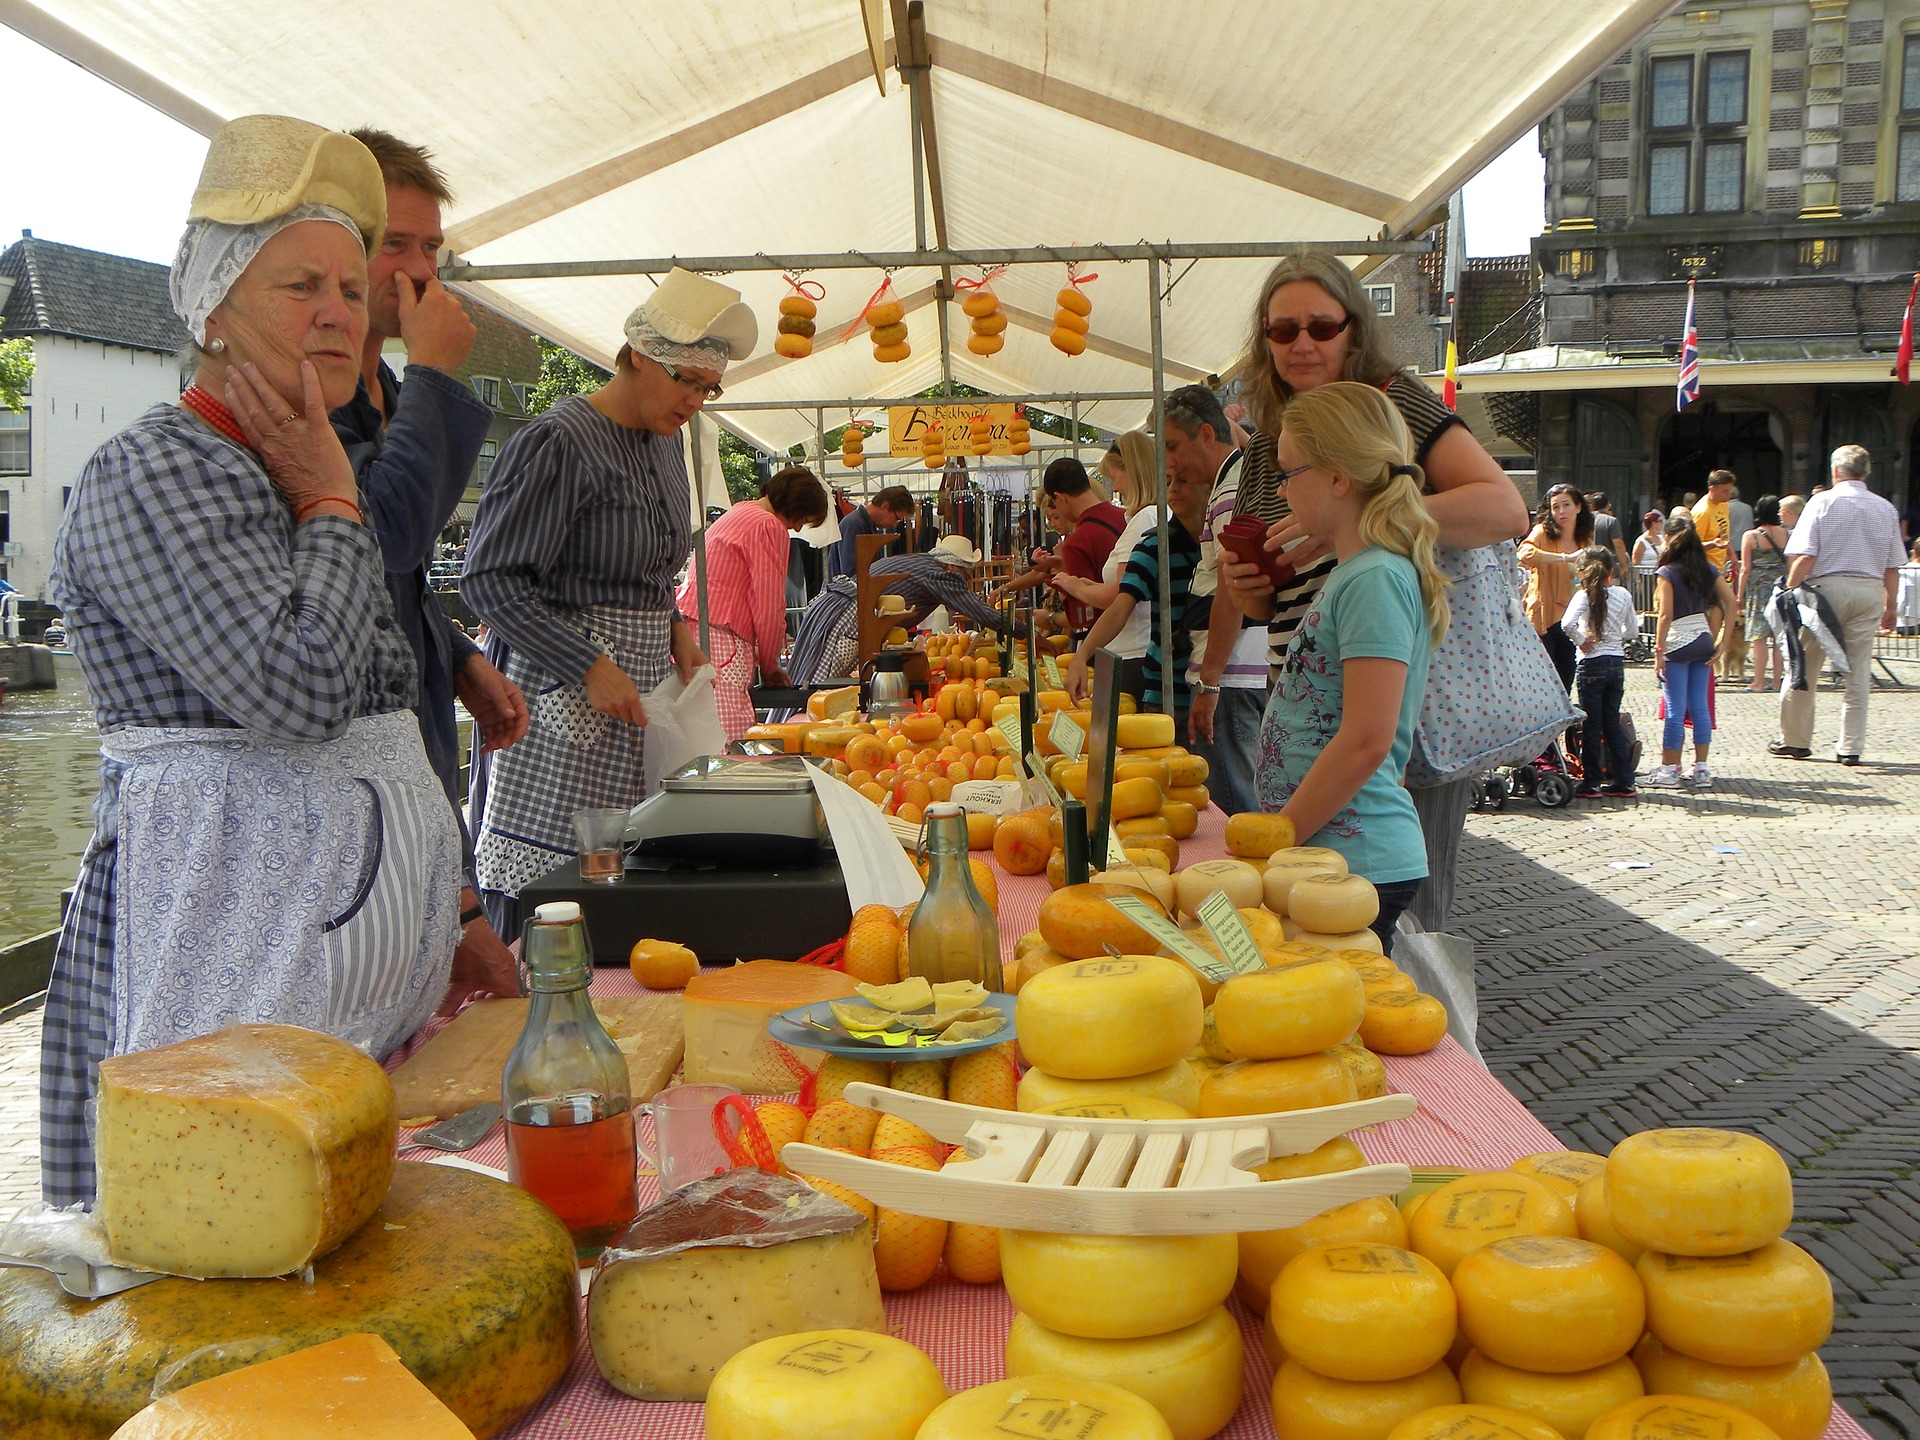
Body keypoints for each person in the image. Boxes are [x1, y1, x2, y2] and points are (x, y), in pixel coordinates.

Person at [40, 118, 462, 1206]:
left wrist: (450, 917)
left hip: (329, 999)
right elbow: (303, 689)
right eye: (297, 286)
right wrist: (328, 497)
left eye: (347, 284)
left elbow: (384, 691)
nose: (337, 308)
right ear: (215, 311)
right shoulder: (154, 470)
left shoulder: (298, 454)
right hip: (222, 972)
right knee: (224, 1235)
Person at [1217, 251, 1528, 935]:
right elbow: (1277, 597)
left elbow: (1505, 509)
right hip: (1314, 703)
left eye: (1321, 327)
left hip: (1391, 716)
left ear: (1354, 329)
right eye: (1282, 330)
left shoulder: (1392, 404)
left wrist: (1364, 525)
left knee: (1402, 938)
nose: (1301, 343)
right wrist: (1252, 591)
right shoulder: (1273, 441)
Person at [463, 267, 753, 936]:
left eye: (710, 387)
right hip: (560, 706)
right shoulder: (558, 440)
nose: (696, 401)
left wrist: (675, 624)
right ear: (639, 357)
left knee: (629, 877)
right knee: (559, 890)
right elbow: (490, 579)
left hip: (641, 694)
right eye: (687, 379)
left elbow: (653, 569)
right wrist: (587, 663)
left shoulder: (667, 446)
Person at [330, 128, 525, 1009]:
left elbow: (397, 588)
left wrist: (456, 658)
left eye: (431, 249)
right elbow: (381, 548)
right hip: (345, 814)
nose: (417, 272)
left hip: (417, 775)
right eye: (393, 245)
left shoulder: (388, 398)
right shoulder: (309, 407)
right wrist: (440, 370)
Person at [1252, 383, 1450, 952]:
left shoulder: (1373, 578)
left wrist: (1283, 833)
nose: (1282, 488)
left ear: (1339, 477)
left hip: (1354, 862)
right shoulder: (1355, 572)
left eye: (1291, 472)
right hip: (1330, 857)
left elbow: (1367, 738)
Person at [1766, 445, 1906, 766]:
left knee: (1804, 664)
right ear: (1866, 472)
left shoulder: (1822, 502)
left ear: (1835, 471)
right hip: (1869, 589)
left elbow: (1806, 554)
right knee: (1858, 671)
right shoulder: (1885, 508)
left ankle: (1795, 740)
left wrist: (1789, 588)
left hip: (1824, 591)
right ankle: (1850, 747)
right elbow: (1892, 566)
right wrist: (1891, 607)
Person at [1166, 384, 1265, 818]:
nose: (1170, 463)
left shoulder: (1229, 493)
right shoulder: (1236, 480)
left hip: (1233, 677)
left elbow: (1232, 589)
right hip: (1239, 674)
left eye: (1173, 447)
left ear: (1207, 435)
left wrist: (1209, 682)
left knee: (1235, 810)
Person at [1064, 452, 1212, 739]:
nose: (1174, 489)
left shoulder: (1218, 545)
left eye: (1183, 481)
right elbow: (1120, 608)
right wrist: (1081, 655)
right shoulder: (1154, 546)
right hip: (1165, 687)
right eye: (1168, 482)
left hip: (1215, 684)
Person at [676, 465, 828, 741]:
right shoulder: (767, 525)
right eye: (803, 519)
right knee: (731, 739)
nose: (796, 528)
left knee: (700, 731)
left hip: (690, 631)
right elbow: (769, 605)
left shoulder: (738, 513)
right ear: (794, 504)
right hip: (722, 638)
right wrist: (769, 665)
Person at [786, 535, 1014, 687]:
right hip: (849, 614)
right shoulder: (941, 575)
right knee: (819, 684)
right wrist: (1022, 630)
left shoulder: (921, 562)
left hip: (833, 605)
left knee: (804, 670)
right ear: (954, 567)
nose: (964, 582)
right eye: (965, 575)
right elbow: (978, 612)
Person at [1053, 433, 1161, 699]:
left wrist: (1076, 588)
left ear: (1134, 472)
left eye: (1115, 477)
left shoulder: (1145, 518)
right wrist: (1087, 585)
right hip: (1134, 651)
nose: (1114, 488)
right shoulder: (1145, 517)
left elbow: (1121, 596)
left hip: (1133, 654)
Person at [1646, 516, 1735, 789]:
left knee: (1674, 708)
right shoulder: (1707, 568)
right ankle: (1701, 768)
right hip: (1703, 638)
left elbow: (1665, 615)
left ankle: (1669, 770)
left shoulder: (1668, 572)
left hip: (1678, 642)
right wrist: (1724, 641)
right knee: (1700, 707)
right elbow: (1732, 602)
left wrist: (1659, 651)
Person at [1561, 546, 1639, 798]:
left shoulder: (1583, 596)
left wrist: (1583, 640)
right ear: (1611, 571)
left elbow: (1566, 624)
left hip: (1591, 662)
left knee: (1592, 725)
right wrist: (1615, 636)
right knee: (1611, 722)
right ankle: (1625, 779)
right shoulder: (1623, 595)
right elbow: (1633, 631)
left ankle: (1592, 780)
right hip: (1615, 662)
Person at [1038, 456, 1125, 643]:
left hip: (1109, 644)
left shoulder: (1077, 542)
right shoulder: (1126, 517)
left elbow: (1082, 617)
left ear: (1060, 498)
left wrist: (1050, 618)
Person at [1517, 484, 1594, 696]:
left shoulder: (1585, 538)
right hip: (1545, 616)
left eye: (1566, 505)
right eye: (1555, 507)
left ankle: (1563, 722)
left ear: (1578, 507)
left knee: (1567, 676)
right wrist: (1563, 558)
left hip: (1573, 619)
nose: (1561, 512)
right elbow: (1524, 554)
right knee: (1544, 676)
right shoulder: (1542, 532)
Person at [1735, 494, 1790, 691]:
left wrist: (1739, 596)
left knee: (1759, 638)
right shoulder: (1787, 534)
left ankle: (1758, 681)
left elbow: (1745, 569)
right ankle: (1777, 681)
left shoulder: (1751, 536)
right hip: (1780, 589)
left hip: (1758, 591)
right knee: (1778, 637)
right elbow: (1790, 564)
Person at [828, 486, 915, 579]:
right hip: (848, 592)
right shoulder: (854, 524)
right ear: (885, 506)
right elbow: (851, 574)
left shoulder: (867, 526)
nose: (894, 524)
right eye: (896, 518)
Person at [1587, 492, 1631, 576]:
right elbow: (1618, 544)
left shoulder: (1585, 520)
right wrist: (1624, 566)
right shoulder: (1611, 521)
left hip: (1589, 566)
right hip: (1608, 568)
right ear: (1608, 505)